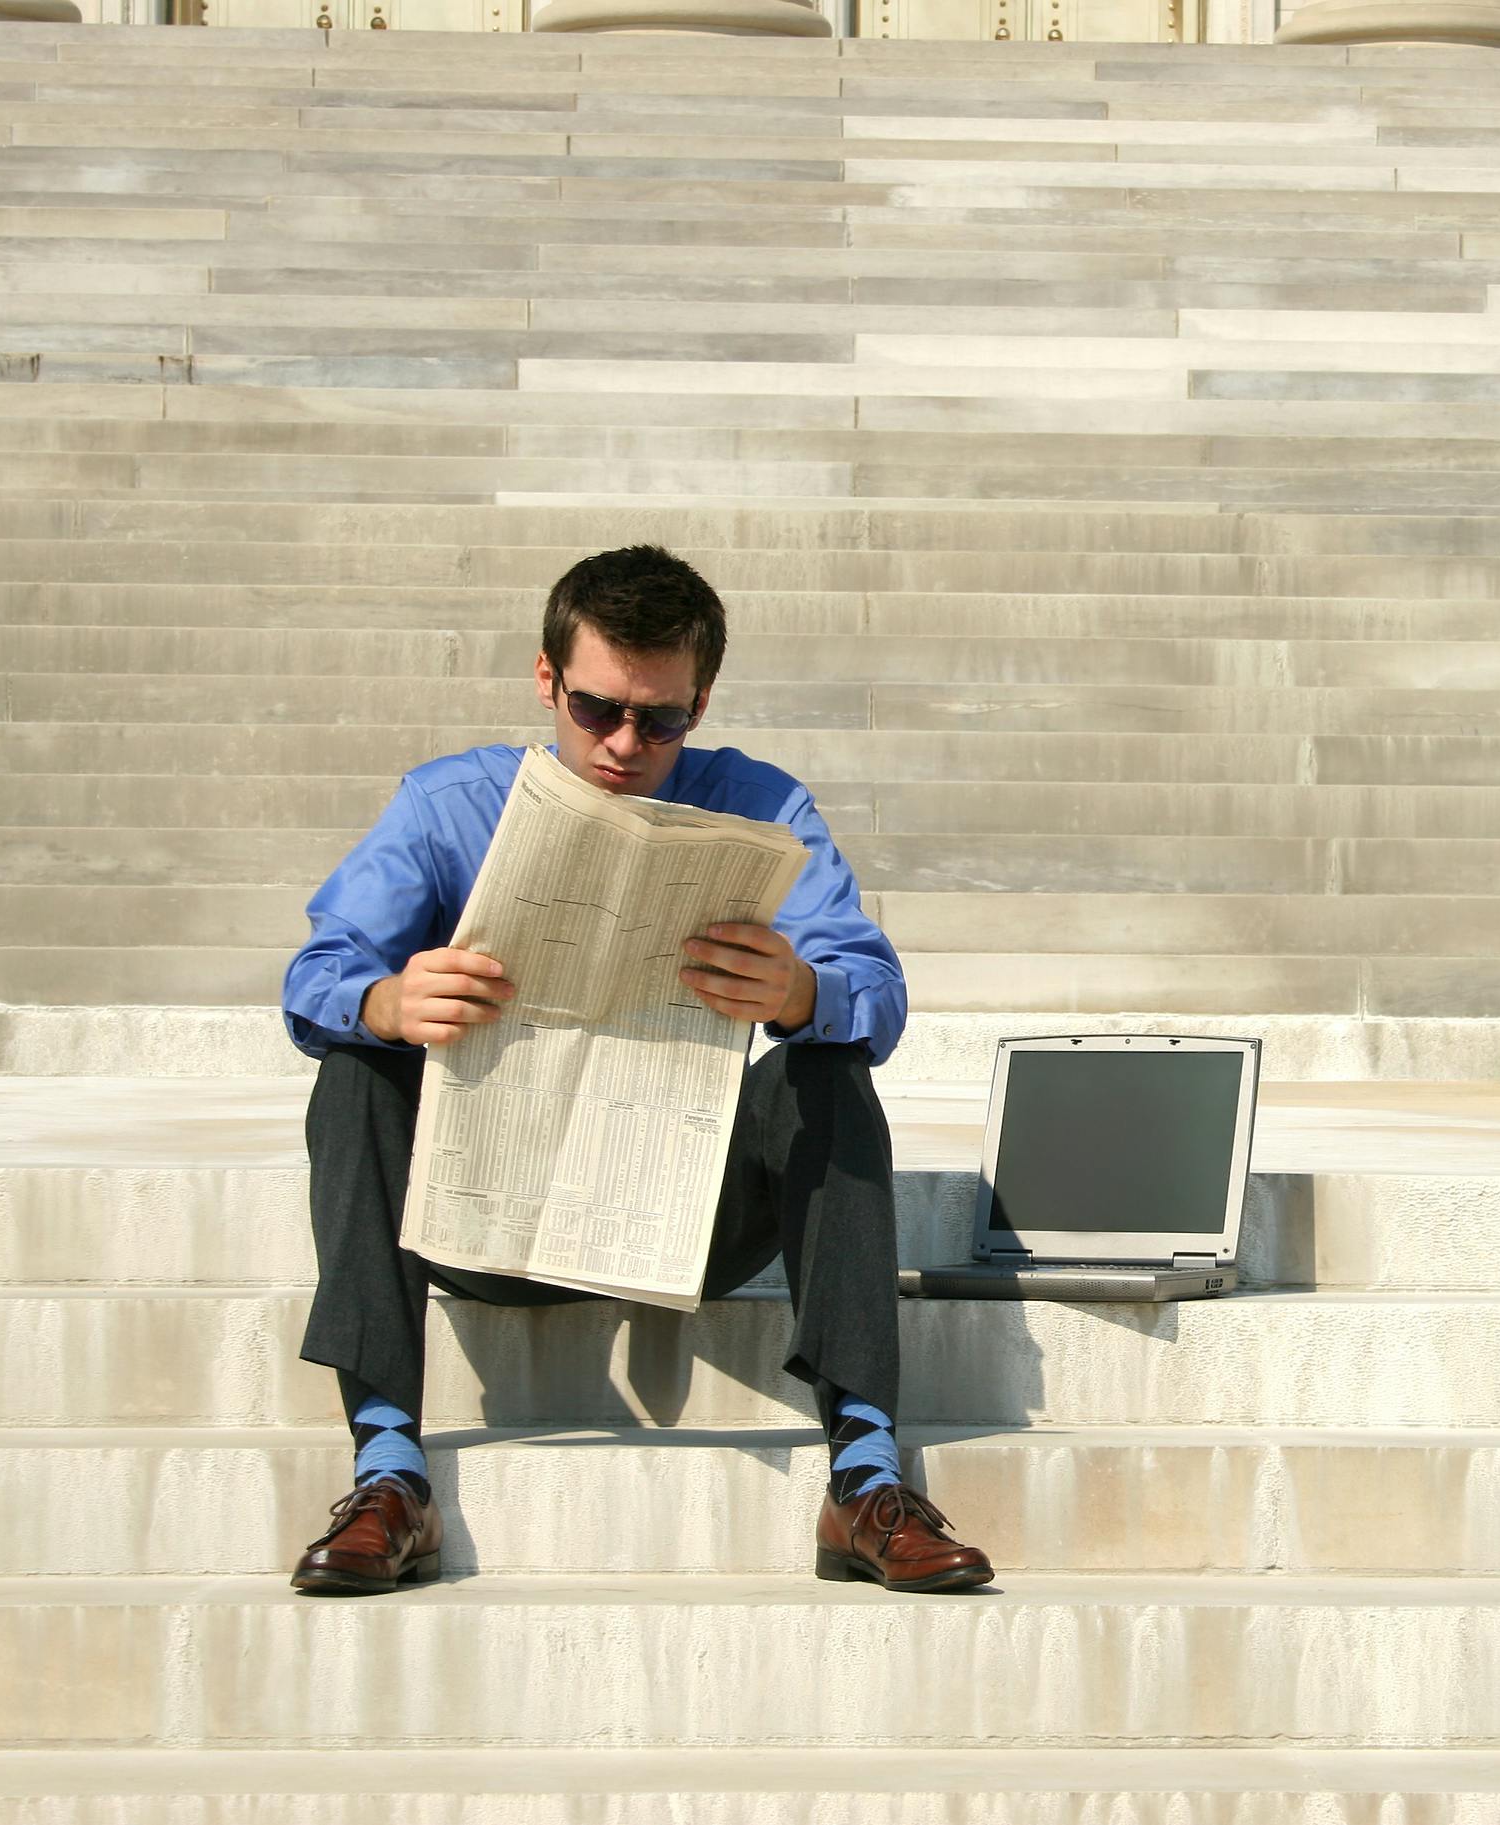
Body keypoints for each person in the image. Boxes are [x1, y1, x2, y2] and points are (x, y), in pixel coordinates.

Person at [277, 544, 991, 1597]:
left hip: (684, 1209)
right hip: (489, 1213)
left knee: (825, 1069)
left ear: (700, 701)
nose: (623, 743)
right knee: (356, 1067)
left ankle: (866, 1473)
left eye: (660, 720)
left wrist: (799, 992)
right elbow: (316, 974)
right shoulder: (443, 806)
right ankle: (389, 1471)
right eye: (596, 708)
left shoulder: (762, 804)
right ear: (543, 680)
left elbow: (871, 987)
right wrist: (384, 1001)